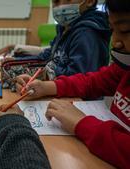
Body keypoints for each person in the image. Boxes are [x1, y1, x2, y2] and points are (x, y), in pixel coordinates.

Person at [14, 0, 130, 168]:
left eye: (126, 30)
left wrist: (83, 124)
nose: (116, 42)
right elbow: (93, 81)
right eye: (114, 31)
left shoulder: (87, 33)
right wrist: (47, 86)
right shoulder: (124, 68)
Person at [0, 0, 111, 80]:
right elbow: (48, 56)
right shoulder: (65, 28)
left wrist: (40, 74)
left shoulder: (87, 34)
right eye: (55, 1)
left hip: (79, 103)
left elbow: (79, 79)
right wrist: (16, 61)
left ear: (90, 1)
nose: (59, 6)